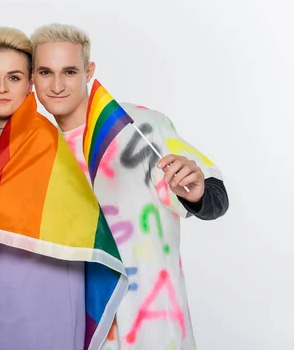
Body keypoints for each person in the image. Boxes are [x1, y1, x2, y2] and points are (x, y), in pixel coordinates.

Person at [30, 23, 230, 349]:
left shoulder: (141, 127)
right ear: (32, 78)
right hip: (86, 330)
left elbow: (215, 198)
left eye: (68, 71)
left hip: (153, 328)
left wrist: (195, 191)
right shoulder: (38, 149)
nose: (56, 85)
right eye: (44, 72)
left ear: (89, 71)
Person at [0, 26, 126, 350]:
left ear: (30, 82)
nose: (2, 88)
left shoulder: (48, 142)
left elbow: (76, 225)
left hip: (44, 291)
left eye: (14, 77)